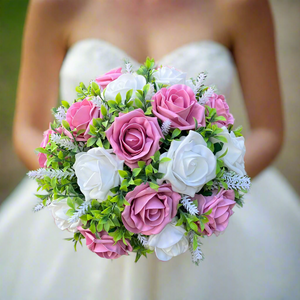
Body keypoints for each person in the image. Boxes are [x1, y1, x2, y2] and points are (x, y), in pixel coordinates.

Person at [1, 0, 299, 299]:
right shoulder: (56, 5)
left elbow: (268, 132)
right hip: (86, 217)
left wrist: (194, 196)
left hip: (208, 219)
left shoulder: (241, 5)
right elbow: (28, 128)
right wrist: (91, 200)